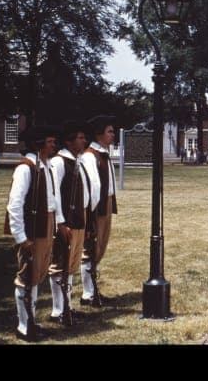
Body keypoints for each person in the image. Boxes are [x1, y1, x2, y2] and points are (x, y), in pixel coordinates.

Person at [5, 123, 64, 341]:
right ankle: (23, 326)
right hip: (32, 231)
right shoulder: (25, 168)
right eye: (49, 142)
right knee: (26, 276)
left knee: (37, 275)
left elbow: (52, 201)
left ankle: (32, 320)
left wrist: (55, 225)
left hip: (45, 225)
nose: (53, 146)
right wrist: (21, 237)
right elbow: (14, 204)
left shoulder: (46, 166)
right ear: (38, 144)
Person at [48, 121, 91, 326]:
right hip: (66, 222)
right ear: (69, 141)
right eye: (80, 137)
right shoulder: (59, 162)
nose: (84, 141)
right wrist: (60, 222)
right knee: (59, 265)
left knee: (71, 265)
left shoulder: (77, 161)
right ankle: (58, 310)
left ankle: (68, 306)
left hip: (78, 220)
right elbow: (54, 194)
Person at [80, 116, 118, 307]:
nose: (113, 134)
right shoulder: (90, 156)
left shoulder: (104, 154)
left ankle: (94, 290)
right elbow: (92, 189)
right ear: (99, 133)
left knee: (100, 249)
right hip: (97, 209)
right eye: (109, 131)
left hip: (107, 204)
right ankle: (88, 293)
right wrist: (91, 218)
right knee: (91, 249)